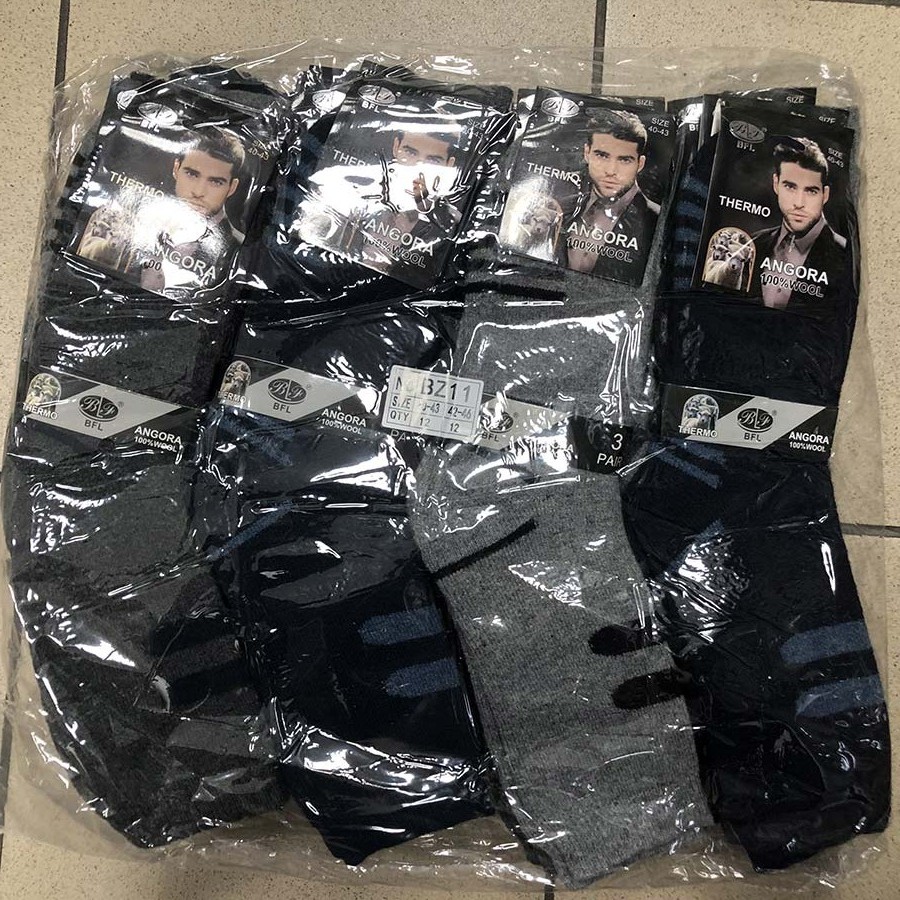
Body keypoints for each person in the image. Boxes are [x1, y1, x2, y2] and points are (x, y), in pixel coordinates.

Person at [77, 127, 246, 294]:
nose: (199, 192)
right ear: (176, 169)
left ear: (232, 187)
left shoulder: (237, 252)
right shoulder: (127, 218)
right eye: (192, 174)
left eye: (215, 182)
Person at [750, 137, 848, 311]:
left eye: (811, 191)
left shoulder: (844, 255)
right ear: (776, 184)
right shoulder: (753, 245)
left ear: (825, 195)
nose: (799, 203)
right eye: (790, 187)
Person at [564, 109, 659, 279]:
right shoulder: (562, 203)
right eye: (602, 155)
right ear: (587, 153)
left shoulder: (655, 221)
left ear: (640, 164)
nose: (611, 171)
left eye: (624, 160)